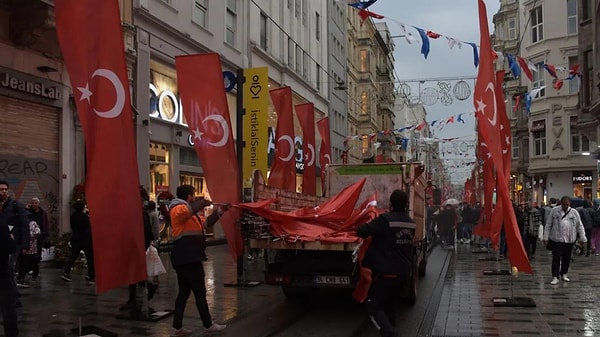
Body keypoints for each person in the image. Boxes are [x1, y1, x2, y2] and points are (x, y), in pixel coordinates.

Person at [169, 185, 229, 336]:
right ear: (189, 196)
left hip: (187, 258)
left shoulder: (190, 213)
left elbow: (206, 223)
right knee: (200, 293)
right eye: (194, 196)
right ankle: (208, 324)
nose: (194, 198)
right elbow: (186, 211)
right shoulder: (177, 208)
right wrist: (202, 203)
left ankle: (177, 327)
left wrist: (220, 211)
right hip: (188, 259)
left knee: (184, 293)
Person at [356, 189, 415, 337]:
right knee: (391, 308)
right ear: (406, 204)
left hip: (387, 273)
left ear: (391, 203)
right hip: (403, 273)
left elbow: (363, 231)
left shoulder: (386, 220)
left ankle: (390, 334)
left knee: (372, 306)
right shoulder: (411, 223)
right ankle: (391, 330)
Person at [543, 196, 587, 285]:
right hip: (557, 239)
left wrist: (582, 237)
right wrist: (545, 237)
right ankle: (555, 276)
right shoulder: (555, 211)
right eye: (563, 204)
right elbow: (548, 224)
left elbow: (580, 225)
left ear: (569, 204)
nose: (565, 206)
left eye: (567, 204)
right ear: (561, 204)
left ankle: (564, 273)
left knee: (566, 258)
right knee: (556, 258)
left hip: (569, 240)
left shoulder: (574, 213)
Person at [0, 180, 30, 311]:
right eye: (1, 189)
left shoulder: (15, 205)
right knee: (5, 270)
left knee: (8, 268)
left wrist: (25, 244)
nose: (4, 191)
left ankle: (14, 298)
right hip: (2, 243)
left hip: (14, 243)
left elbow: (24, 225)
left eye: (5, 189)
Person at [61, 201, 95, 284]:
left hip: (75, 239)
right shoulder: (85, 217)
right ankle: (91, 276)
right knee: (90, 258)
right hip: (85, 240)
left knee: (73, 256)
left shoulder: (73, 216)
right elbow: (88, 228)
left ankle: (66, 272)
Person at [0, 214, 18, 337]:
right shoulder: (1, 222)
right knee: (8, 307)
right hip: (1, 271)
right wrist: (11, 239)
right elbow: (9, 247)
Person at [16, 212, 40, 287]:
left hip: (29, 247)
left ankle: (24, 276)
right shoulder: (25, 224)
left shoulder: (30, 224)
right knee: (26, 263)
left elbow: (37, 232)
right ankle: (21, 278)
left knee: (27, 263)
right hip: (27, 247)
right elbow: (36, 232)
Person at [27, 197, 49, 281]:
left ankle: (36, 269)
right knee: (31, 253)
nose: (34, 204)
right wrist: (26, 208)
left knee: (38, 253)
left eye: (35, 203)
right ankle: (31, 268)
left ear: (38, 204)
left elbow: (46, 223)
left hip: (40, 236)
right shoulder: (28, 212)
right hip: (30, 236)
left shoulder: (42, 213)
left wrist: (46, 233)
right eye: (32, 203)